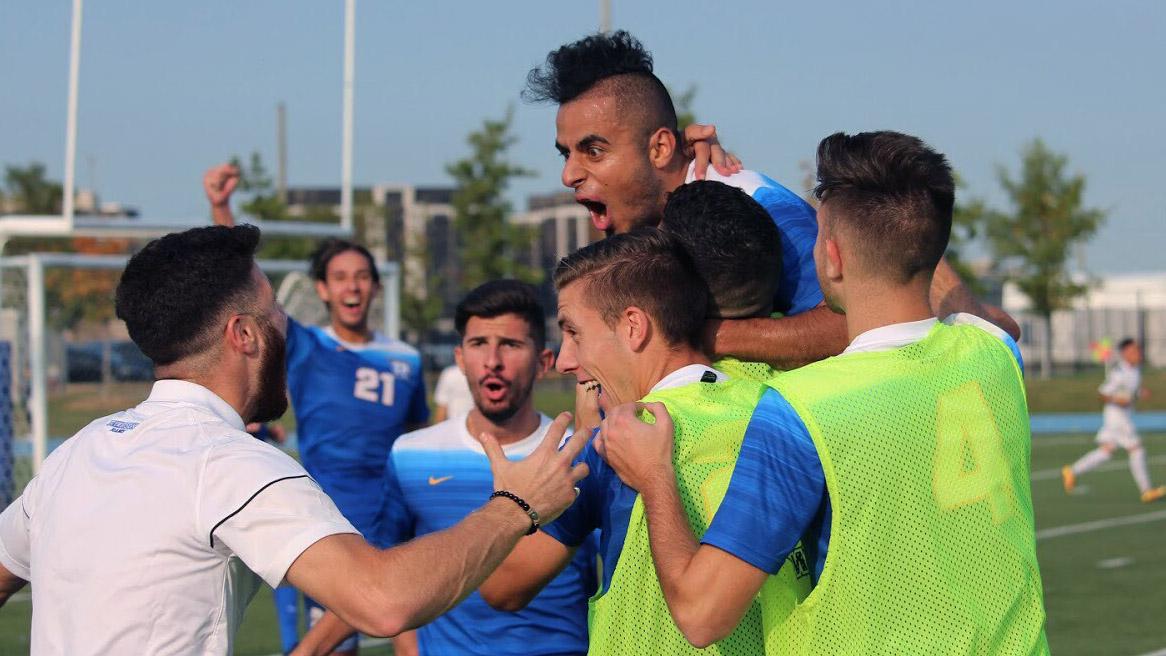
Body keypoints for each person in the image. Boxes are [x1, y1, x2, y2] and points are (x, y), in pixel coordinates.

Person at [0, 225, 589, 654]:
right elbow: (382, 602)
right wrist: (515, 506)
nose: (286, 323)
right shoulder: (233, 465)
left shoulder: (77, 452)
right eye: (275, 310)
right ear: (244, 334)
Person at [598, 131, 1048, 654]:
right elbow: (988, 318)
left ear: (831, 257)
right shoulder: (993, 353)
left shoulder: (798, 411)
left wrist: (654, 476)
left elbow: (702, 615)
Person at [524, 31, 1019, 373]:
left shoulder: (757, 205)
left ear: (659, 148)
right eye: (566, 153)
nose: (570, 173)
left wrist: (692, 335)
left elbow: (851, 322)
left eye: (594, 150)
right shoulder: (664, 219)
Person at [478, 229, 810, 655]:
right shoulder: (786, 410)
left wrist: (508, 503)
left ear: (634, 326)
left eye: (574, 332)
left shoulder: (611, 445)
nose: (563, 360)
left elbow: (503, 587)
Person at [295, 280, 598, 656]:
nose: (492, 361)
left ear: (543, 362)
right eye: (478, 344)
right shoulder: (412, 454)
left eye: (510, 345)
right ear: (459, 359)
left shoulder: (578, 455)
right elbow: (381, 572)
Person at [206, 164, 429, 654]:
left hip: (395, 522)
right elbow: (244, 288)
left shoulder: (406, 359)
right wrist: (223, 210)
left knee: (415, 641)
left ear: (375, 286)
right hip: (323, 524)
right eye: (341, 278)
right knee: (322, 647)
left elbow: (419, 441)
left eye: (362, 277)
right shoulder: (306, 346)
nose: (352, 288)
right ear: (322, 290)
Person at [1063, 338, 1165, 503]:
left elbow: (1131, 391)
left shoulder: (1135, 370)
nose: (1138, 353)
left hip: (1120, 416)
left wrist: (1140, 393)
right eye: (1133, 351)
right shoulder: (1119, 373)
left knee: (1106, 451)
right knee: (1136, 449)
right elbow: (1103, 393)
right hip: (1117, 417)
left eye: (1138, 350)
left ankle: (1072, 471)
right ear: (1125, 354)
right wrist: (1119, 400)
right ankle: (1147, 490)